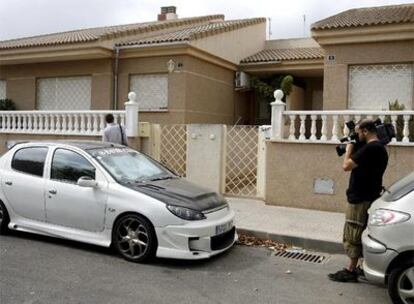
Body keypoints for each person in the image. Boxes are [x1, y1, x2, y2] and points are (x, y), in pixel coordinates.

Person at [328, 119, 388, 283]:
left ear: (366, 131)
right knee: (362, 232)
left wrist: (349, 148)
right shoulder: (380, 148)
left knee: (353, 233)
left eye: (359, 132)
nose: (357, 135)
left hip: (360, 198)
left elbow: (346, 166)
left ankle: (350, 270)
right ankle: (362, 266)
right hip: (370, 195)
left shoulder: (370, 149)